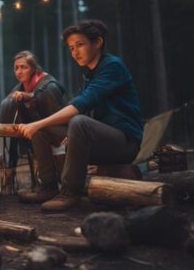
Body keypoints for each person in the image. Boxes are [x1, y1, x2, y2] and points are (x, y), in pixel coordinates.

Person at [17, 20, 143, 211]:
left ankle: (70, 192)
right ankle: (49, 186)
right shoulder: (90, 74)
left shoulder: (112, 67)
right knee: (42, 130)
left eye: (80, 45)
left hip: (124, 143)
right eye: (71, 47)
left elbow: (82, 104)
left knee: (78, 122)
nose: (75, 52)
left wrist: (38, 123)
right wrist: (40, 126)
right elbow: (78, 102)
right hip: (100, 141)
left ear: (98, 42)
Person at [0, 51, 66, 169]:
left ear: (34, 68)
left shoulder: (49, 85)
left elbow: (56, 116)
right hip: (29, 133)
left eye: (23, 67)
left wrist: (30, 96)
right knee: (8, 104)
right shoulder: (20, 87)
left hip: (54, 134)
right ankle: (5, 167)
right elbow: (6, 107)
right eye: (16, 68)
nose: (19, 71)